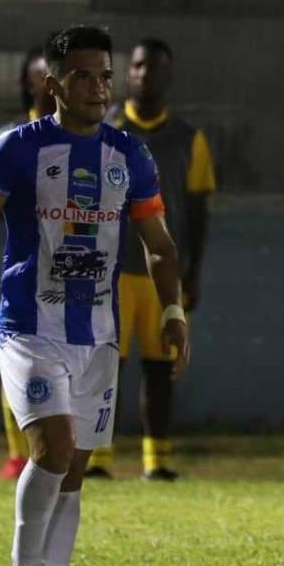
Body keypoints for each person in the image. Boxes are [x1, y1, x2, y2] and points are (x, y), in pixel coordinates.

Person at [0, 25, 190, 566]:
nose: (98, 87)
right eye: (83, 76)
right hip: (28, 329)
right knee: (52, 449)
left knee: (75, 472)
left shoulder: (130, 156)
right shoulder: (16, 149)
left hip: (98, 337)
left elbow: (158, 244)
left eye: (104, 75)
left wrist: (173, 310)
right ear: (52, 84)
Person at [84, 37, 215, 480]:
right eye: (138, 66)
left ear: (168, 76)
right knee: (106, 366)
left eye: (154, 67)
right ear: (128, 72)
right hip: (112, 270)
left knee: (161, 369)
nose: (144, 75)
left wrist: (192, 271)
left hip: (164, 273)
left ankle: (156, 460)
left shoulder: (189, 139)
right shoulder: (106, 130)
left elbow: (198, 210)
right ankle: (97, 457)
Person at [0, 46, 58, 481]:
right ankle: (18, 452)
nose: (51, 83)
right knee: (18, 358)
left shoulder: (88, 139)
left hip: (73, 269)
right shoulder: (8, 138)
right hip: (24, 267)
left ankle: (63, 449)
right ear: (29, 84)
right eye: (42, 75)